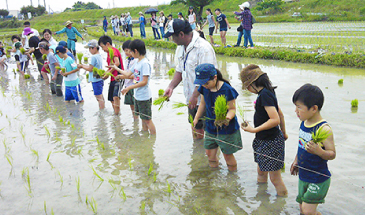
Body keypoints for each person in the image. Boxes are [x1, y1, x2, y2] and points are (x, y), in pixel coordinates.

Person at [163, 19, 217, 139]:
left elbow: (207, 78)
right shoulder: (182, 47)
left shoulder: (203, 48)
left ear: (181, 34)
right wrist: (171, 87)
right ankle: (197, 155)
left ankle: (208, 157)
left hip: (205, 99)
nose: (171, 39)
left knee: (211, 136)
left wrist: (194, 95)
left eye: (172, 36)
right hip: (191, 99)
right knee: (196, 129)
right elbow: (179, 70)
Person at [240, 64, 288, 196]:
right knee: (261, 170)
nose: (248, 90)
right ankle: (262, 198)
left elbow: (275, 119)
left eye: (248, 86)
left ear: (253, 84)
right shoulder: (268, 92)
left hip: (270, 142)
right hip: (265, 140)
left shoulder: (265, 95)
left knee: (275, 178)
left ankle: (280, 203)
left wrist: (253, 130)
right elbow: (281, 114)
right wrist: (284, 132)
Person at [291, 84, 336, 215]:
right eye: (295, 107)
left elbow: (332, 154)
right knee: (302, 209)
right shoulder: (303, 123)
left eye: (299, 107)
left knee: (307, 211)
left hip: (318, 178)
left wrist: (319, 151)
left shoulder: (324, 129)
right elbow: (301, 146)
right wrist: (296, 161)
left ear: (314, 108)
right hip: (304, 175)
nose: (296, 111)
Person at [193, 63, 242, 171]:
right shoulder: (204, 88)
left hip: (226, 129)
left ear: (215, 78)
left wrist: (227, 118)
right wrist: (196, 118)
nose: (204, 85)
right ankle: (214, 174)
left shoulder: (227, 89)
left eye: (206, 83)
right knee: (209, 154)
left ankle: (232, 179)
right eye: (202, 83)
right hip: (211, 127)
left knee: (227, 156)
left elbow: (232, 109)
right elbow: (203, 104)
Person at [111, 39, 156, 134]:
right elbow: (127, 74)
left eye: (131, 51)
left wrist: (129, 88)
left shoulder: (145, 63)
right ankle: (144, 138)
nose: (130, 53)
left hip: (144, 96)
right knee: (142, 119)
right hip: (137, 95)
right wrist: (116, 68)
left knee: (147, 120)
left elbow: (144, 82)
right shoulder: (137, 62)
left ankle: (152, 142)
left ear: (136, 51)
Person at [111, 40, 138, 120]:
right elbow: (126, 72)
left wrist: (121, 77)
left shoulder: (136, 61)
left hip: (134, 86)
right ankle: (135, 123)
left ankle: (136, 122)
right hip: (127, 85)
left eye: (127, 50)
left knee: (135, 108)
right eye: (124, 51)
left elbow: (134, 76)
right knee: (132, 106)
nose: (126, 52)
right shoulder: (127, 60)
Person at [98, 35, 124, 115]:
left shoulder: (113, 51)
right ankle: (116, 115)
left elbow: (117, 63)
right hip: (113, 78)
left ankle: (117, 115)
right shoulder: (109, 53)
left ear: (108, 44)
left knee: (116, 96)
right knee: (111, 98)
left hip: (119, 77)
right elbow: (111, 66)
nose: (102, 49)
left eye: (102, 47)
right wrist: (106, 73)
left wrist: (108, 73)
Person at [78, 40, 105, 109]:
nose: (89, 50)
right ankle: (102, 109)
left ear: (95, 48)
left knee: (98, 97)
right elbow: (92, 68)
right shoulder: (99, 56)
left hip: (96, 80)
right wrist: (83, 65)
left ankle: (101, 112)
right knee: (100, 96)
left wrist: (81, 66)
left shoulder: (93, 57)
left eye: (90, 48)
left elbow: (90, 69)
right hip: (99, 79)